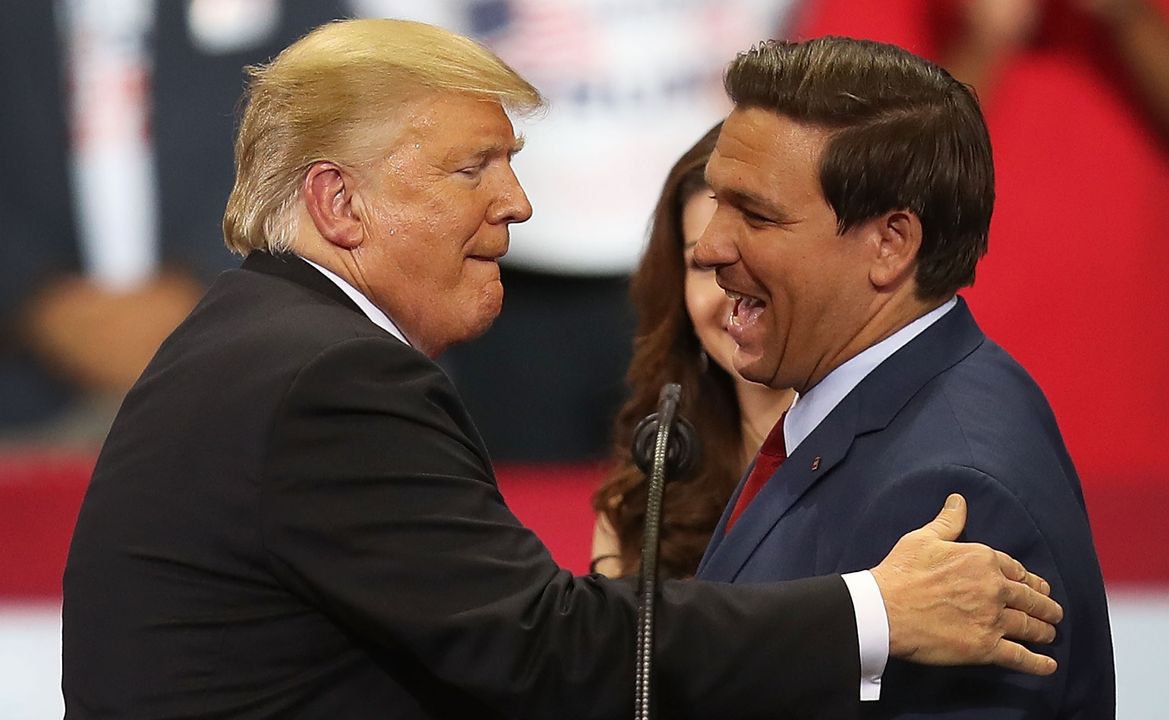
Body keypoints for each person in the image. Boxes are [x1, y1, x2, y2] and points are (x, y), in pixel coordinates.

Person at [60, 19, 1064, 719]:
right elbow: (539, 652)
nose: (517, 205)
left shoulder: (253, 337)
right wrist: (876, 613)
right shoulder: (329, 381)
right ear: (338, 203)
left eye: (511, 163)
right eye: (471, 169)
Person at [692, 37, 1114, 717]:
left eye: (757, 215)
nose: (709, 246)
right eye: (719, 201)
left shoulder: (953, 490)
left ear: (890, 244)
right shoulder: (882, 402)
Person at [591, 122, 793, 579]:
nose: (733, 290)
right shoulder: (640, 501)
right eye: (703, 265)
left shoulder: (880, 461)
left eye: (753, 257)